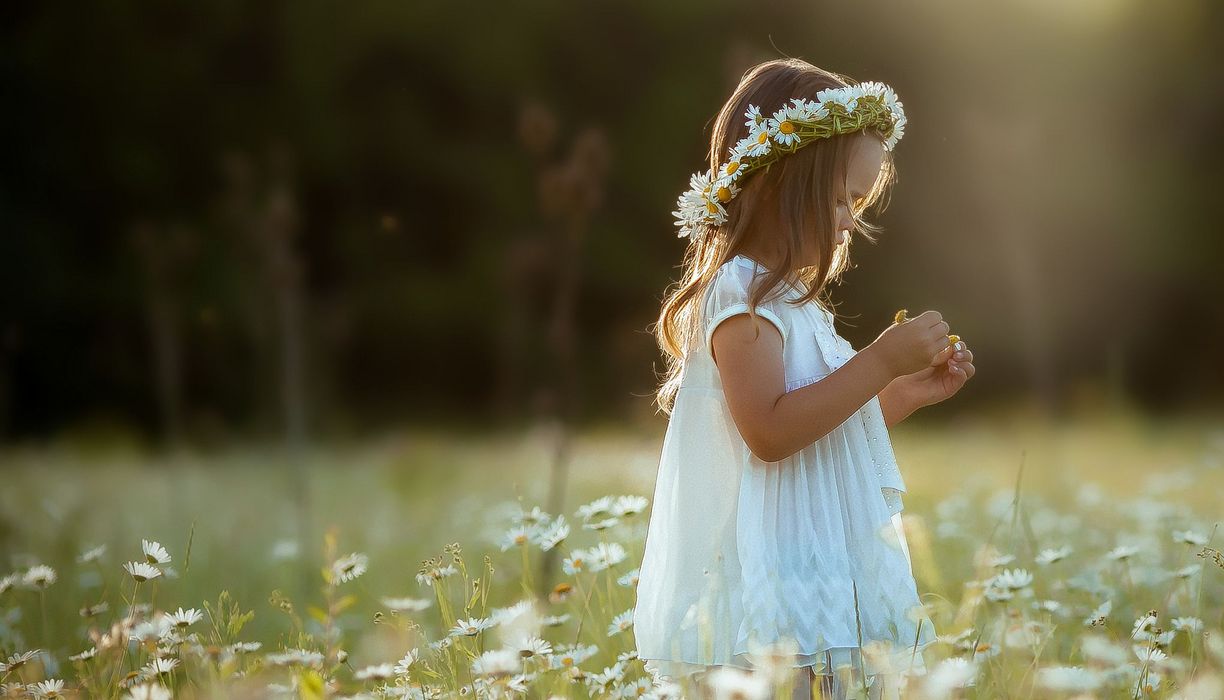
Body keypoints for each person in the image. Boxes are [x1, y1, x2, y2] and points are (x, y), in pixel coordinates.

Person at [633, 58, 977, 699]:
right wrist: (877, 361)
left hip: (811, 561)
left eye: (860, 203)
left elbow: (825, 427)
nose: (852, 219)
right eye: (842, 197)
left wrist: (902, 392)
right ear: (779, 185)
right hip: (765, 570)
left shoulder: (798, 304)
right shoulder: (742, 295)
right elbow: (768, 431)